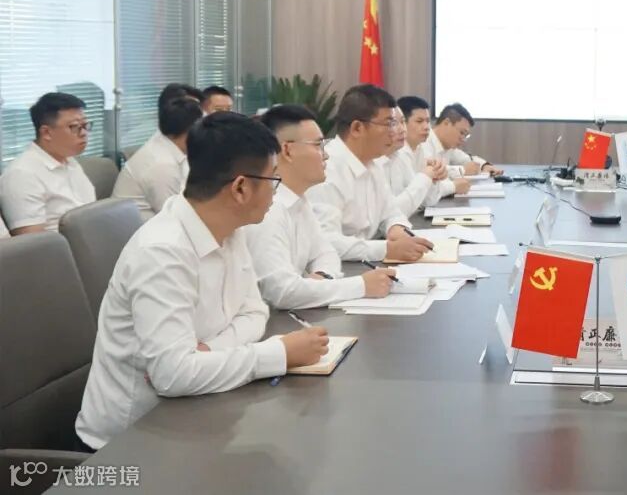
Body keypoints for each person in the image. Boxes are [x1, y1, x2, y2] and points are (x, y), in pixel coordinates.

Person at [75, 112, 329, 450]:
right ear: (240, 188)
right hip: (130, 444)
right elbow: (173, 375)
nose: (275, 193)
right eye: (273, 179)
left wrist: (209, 351)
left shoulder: (230, 228)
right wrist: (278, 353)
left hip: (199, 411)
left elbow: (254, 313)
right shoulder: (163, 251)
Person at [247, 105, 395, 309]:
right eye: (318, 145)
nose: (325, 155)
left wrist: (322, 278)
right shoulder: (268, 210)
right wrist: (361, 286)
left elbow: (326, 253)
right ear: (288, 150)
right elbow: (282, 292)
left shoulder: (299, 200)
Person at [308, 85, 433, 262]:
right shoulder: (327, 170)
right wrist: (386, 249)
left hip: (365, 263)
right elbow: (327, 241)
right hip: (338, 269)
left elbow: (391, 212)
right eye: (389, 124)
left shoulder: (373, 163)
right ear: (357, 128)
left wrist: (397, 228)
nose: (395, 131)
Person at [0, 92, 96, 234]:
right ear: (46, 133)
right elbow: (33, 242)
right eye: (75, 127)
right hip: (64, 247)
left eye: (85, 125)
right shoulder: (21, 175)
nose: (84, 133)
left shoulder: (69, 161)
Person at [112, 85, 204, 221]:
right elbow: (177, 218)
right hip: (145, 231)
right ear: (191, 130)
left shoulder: (173, 149)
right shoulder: (161, 165)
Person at [379, 104, 455, 214]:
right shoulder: (392, 156)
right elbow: (393, 212)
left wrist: (433, 179)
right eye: (393, 123)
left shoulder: (397, 155)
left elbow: (427, 201)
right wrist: (426, 176)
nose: (402, 129)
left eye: (402, 122)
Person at [422, 102, 503, 177]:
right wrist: (462, 170)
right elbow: (429, 171)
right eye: (462, 133)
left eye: (466, 135)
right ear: (447, 123)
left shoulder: (448, 147)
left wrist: (484, 166)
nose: (463, 140)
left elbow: (466, 159)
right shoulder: (423, 142)